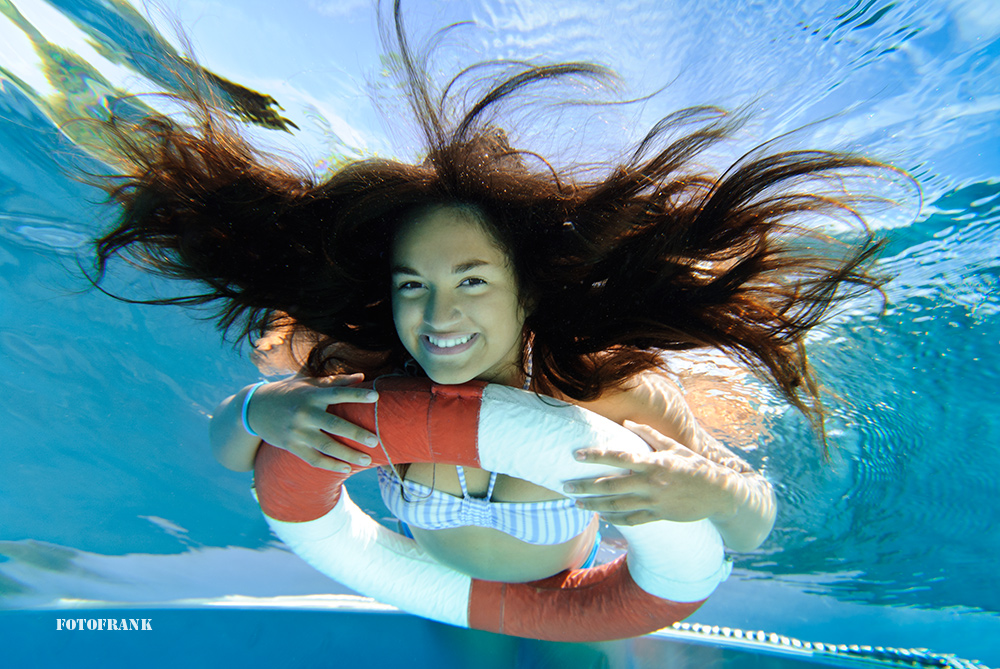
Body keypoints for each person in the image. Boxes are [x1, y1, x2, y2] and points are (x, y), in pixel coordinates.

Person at [91, 4, 885, 584]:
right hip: (434, 588)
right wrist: (261, 409)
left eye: (471, 280)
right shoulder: (375, 376)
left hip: (569, 591)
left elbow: (752, 519)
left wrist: (704, 485)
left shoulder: (611, 388)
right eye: (413, 285)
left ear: (526, 291)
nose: (436, 315)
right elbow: (231, 449)